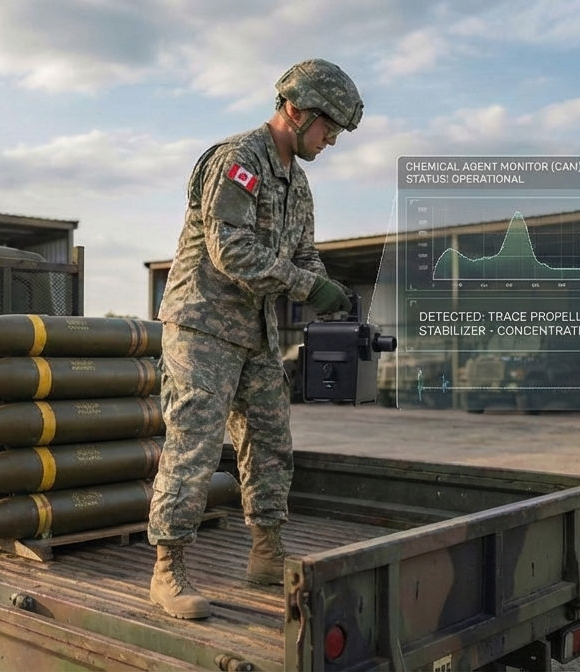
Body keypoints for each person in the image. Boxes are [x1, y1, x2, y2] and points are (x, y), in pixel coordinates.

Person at [146, 58, 363, 619]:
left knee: (270, 443)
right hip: (203, 326)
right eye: (328, 129)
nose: (331, 141)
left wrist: (324, 287)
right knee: (194, 445)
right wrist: (305, 286)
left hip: (257, 332)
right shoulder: (237, 161)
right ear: (297, 111)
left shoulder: (300, 183)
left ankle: (266, 552)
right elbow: (231, 249)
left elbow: (304, 254)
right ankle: (168, 571)